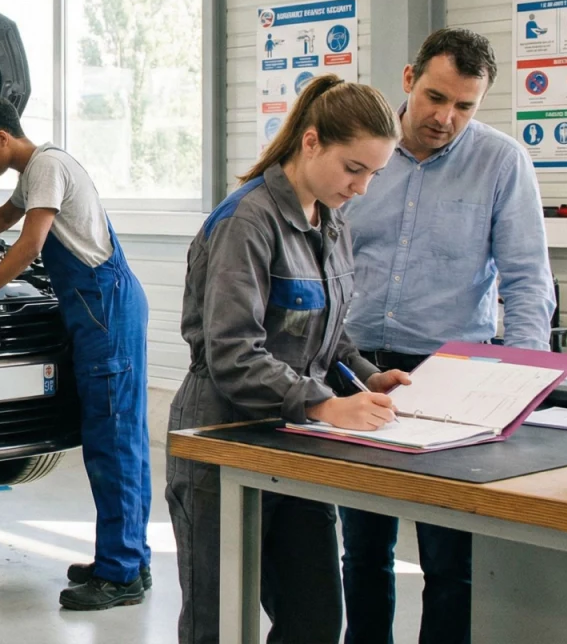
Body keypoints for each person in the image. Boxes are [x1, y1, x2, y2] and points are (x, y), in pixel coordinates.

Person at [166, 75, 413, 644]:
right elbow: (232, 354)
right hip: (221, 439)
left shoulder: (330, 218)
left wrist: (370, 375)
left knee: (315, 621)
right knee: (217, 623)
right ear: (310, 142)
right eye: (354, 169)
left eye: (374, 173)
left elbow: (326, 330)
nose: (363, 187)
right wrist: (328, 405)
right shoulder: (246, 222)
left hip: (291, 445)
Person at [340, 28, 554, 644]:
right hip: (359, 366)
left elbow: (527, 279)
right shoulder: (361, 151)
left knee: (449, 553)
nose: (445, 117)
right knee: (364, 543)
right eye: (436, 97)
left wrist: (522, 381)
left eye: (464, 106)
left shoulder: (501, 161)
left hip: (452, 373)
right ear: (408, 79)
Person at [0, 96, 153, 612]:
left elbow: (30, 240)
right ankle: (129, 557)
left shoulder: (46, 165)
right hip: (100, 306)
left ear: (3, 137)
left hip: (104, 308)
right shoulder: (38, 170)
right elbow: (4, 215)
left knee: (114, 443)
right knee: (117, 438)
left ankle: (120, 574)